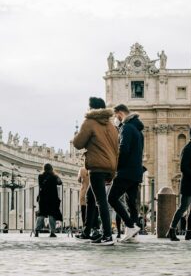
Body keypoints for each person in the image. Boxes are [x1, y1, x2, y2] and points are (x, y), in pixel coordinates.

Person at [73, 97, 119, 245]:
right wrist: (113, 171)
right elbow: (115, 149)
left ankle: (107, 235)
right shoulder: (112, 126)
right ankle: (87, 231)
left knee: (101, 200)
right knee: (91, 197)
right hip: (110, 165)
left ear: (92, 108)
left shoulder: (90, 122)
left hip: (97, 166)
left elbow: (78, 143)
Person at [107, 104, 144, 243]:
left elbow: (123, 150)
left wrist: (116, 167)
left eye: (115, 116)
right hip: (136, 172)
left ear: (120, 113)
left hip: (126, 171)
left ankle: (129, 225)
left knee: (112, 198)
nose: (115, 119)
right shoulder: (138, 130)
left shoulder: (126, 128)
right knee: (131, 203)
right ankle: (132, 234)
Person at [34, 164, 63, 238]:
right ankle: (52, 232)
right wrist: (56, 175)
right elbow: (60, 182)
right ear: (51, 169)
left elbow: (40, 186)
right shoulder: (54, 177)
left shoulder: (40, 176)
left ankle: (37, 231)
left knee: (41, 214)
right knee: (52, 215)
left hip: (43, 198)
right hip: (52, 198)